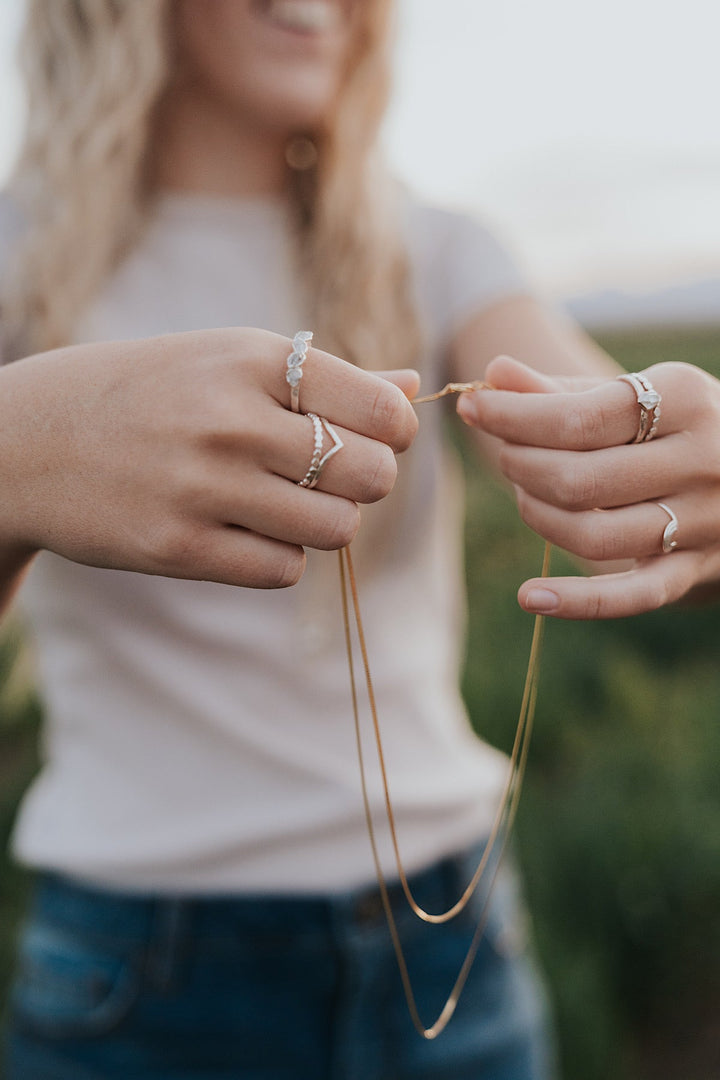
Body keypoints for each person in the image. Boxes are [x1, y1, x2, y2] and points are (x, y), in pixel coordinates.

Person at [2, 2, 720, 1078]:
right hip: (135, 981)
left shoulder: (432, 244)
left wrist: (660, 465)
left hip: (458, 946)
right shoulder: (21, 254)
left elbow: (592, 410)